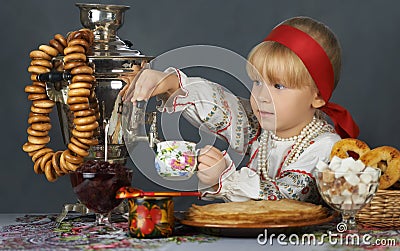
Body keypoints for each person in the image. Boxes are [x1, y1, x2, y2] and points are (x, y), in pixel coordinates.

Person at [123, 16, 359, 203]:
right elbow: (221, 106)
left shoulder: (326, 146)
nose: (261, 97)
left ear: (317, 96)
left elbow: (288, 196)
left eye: (278, 86)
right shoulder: (261, 127)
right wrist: (170, 84)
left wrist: (225, 179)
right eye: (257, 82)